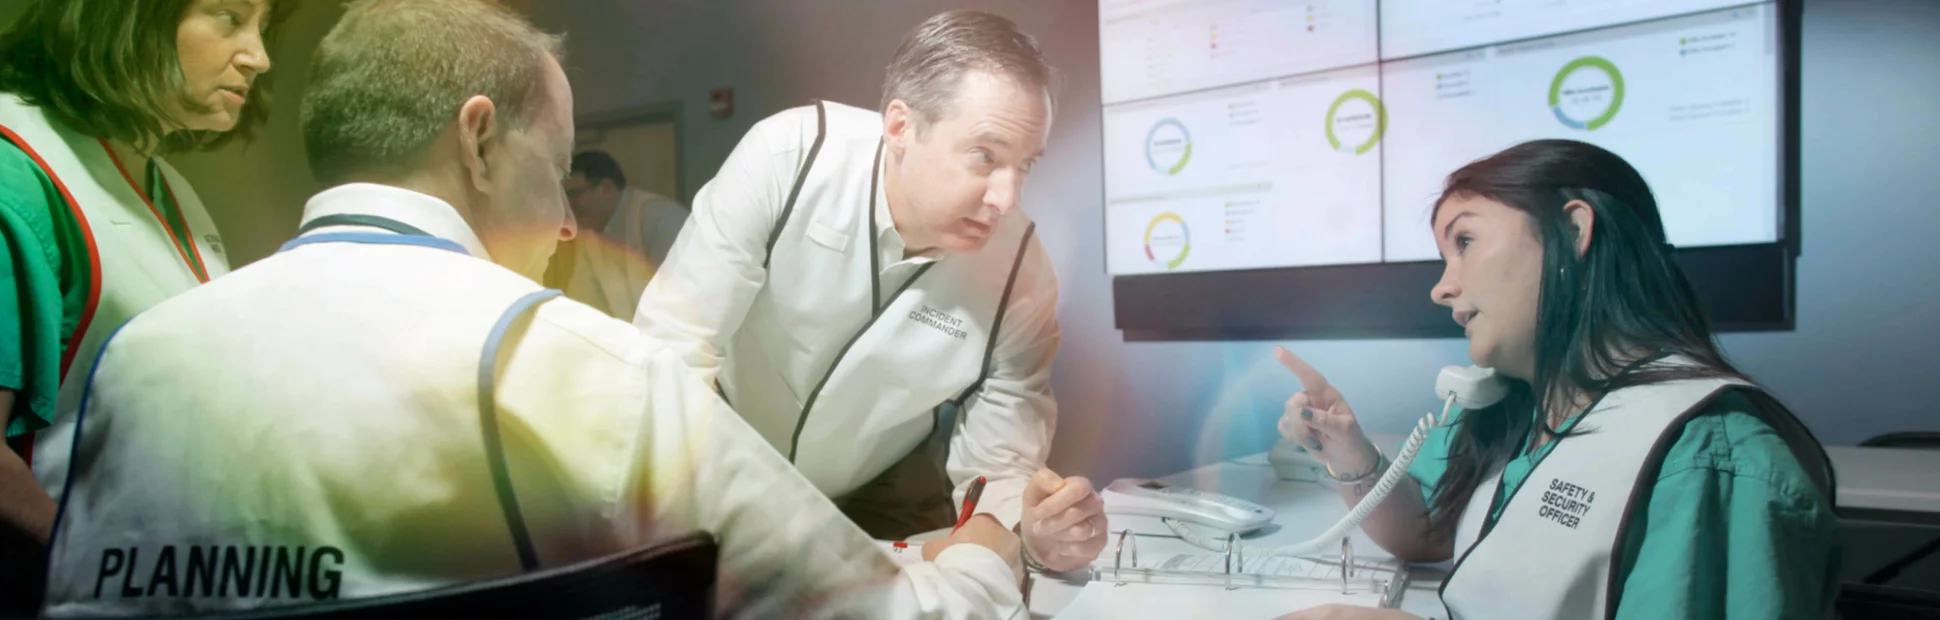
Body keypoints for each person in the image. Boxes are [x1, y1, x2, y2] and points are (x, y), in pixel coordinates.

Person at [40, 1, 1025, 617]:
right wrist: (984, 550)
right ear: (477, 141)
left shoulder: (136, 360)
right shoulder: (583, 370)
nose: (562, 222)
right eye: (553, 172)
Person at [1271, 140, 1838, 620]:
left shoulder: (1707, 459)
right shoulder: (1517, 409)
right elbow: (1424, 531)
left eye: (1464, 242)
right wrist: (1346, 445)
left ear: (1572, 232)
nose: (1441, 288)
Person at [633, 9, 1107, 572]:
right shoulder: (789, 157)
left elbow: (1000, 466)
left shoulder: (1023, 275)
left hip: (882, 483)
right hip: (728, 448)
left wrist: (1032, 528)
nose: (1007, 198)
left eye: (1025, 165)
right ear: (901, 127)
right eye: (986, 156)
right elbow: (674, 344)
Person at [0, 0, 284, 612]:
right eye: (229, 17)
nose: (258, 57)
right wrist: (113, 576)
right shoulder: (15, 173)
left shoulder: (166, 187)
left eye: (264, 26)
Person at [547, 149, 687, 319]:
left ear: (606, 188)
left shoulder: (661, 220)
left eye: (574, 194)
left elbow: (681, 300)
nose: (568, 205)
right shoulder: (587, 229)